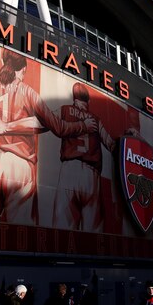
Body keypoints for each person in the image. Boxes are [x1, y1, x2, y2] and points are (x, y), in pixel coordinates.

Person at [0, 48, 95, 225]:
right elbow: (59, 128)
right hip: (20, 164)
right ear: (22, 70)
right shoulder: (29, 93)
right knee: (22, 231)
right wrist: (83, 125)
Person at [52, 82, 116, 232]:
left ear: (74, 98)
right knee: (93, 236)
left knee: (62, 233)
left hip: (69, 170)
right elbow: (111, 144)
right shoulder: (96, 119)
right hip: (91, 176)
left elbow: (45, 120)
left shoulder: (64, 110)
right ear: (88, 101)